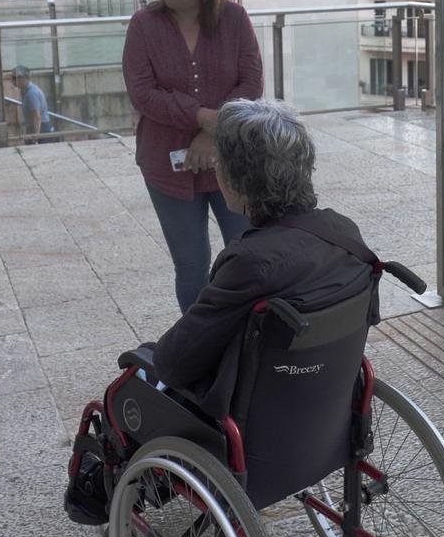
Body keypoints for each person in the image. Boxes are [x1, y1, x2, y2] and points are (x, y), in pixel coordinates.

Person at [131, 98, 376, 417]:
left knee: (139, 370)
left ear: (237, 182)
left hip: (257, 424)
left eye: (219, 162)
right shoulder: (345, 233)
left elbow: (172, 363)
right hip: (327, 405)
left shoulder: (249, 262)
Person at [122, 0, 264, 311]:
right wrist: (201, 117)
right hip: (165, 167)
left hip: (230, 159)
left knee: (245, 257)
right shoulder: (143, 25)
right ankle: (199, 349)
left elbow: (251, 83)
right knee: (191, 267)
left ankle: (246, 341)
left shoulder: (234, 18)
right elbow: (143, 93)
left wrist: (211, 135)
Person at [8, 65, 56, 137]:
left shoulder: (31, 93)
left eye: (16, 78)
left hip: (41, 129)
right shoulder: (25, 91)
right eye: (12, 78)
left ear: (25, 78)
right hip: (35, 127)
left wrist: (35, 136)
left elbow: (36, 116)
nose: (13, 81)